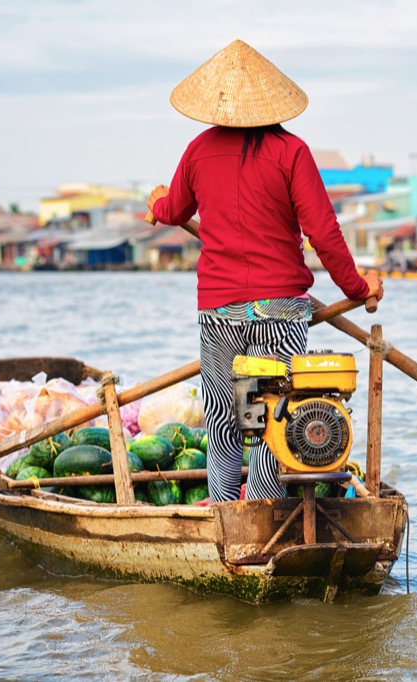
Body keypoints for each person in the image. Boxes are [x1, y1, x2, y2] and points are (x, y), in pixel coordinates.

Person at [147, 39, 384, 504]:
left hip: (219, 310)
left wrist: (156, 202)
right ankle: (260, 508)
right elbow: (324, 234)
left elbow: (173, 209)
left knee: (223, 417)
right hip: (280, 309)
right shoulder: (292, 151)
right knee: (277, 414)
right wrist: (360, 287)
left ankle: (225, 516)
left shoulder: (198, 150)